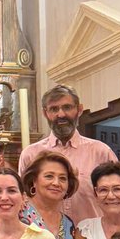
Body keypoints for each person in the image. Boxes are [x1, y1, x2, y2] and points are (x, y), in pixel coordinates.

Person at [18, 85, 113, 224]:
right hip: (44, 237)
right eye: (54, 109)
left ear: (79, 110)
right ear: (45, 113)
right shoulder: (30, 154)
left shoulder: (101, 152)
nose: (61, 114)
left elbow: (115, 196)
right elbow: (22, 199)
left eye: (67, 107)